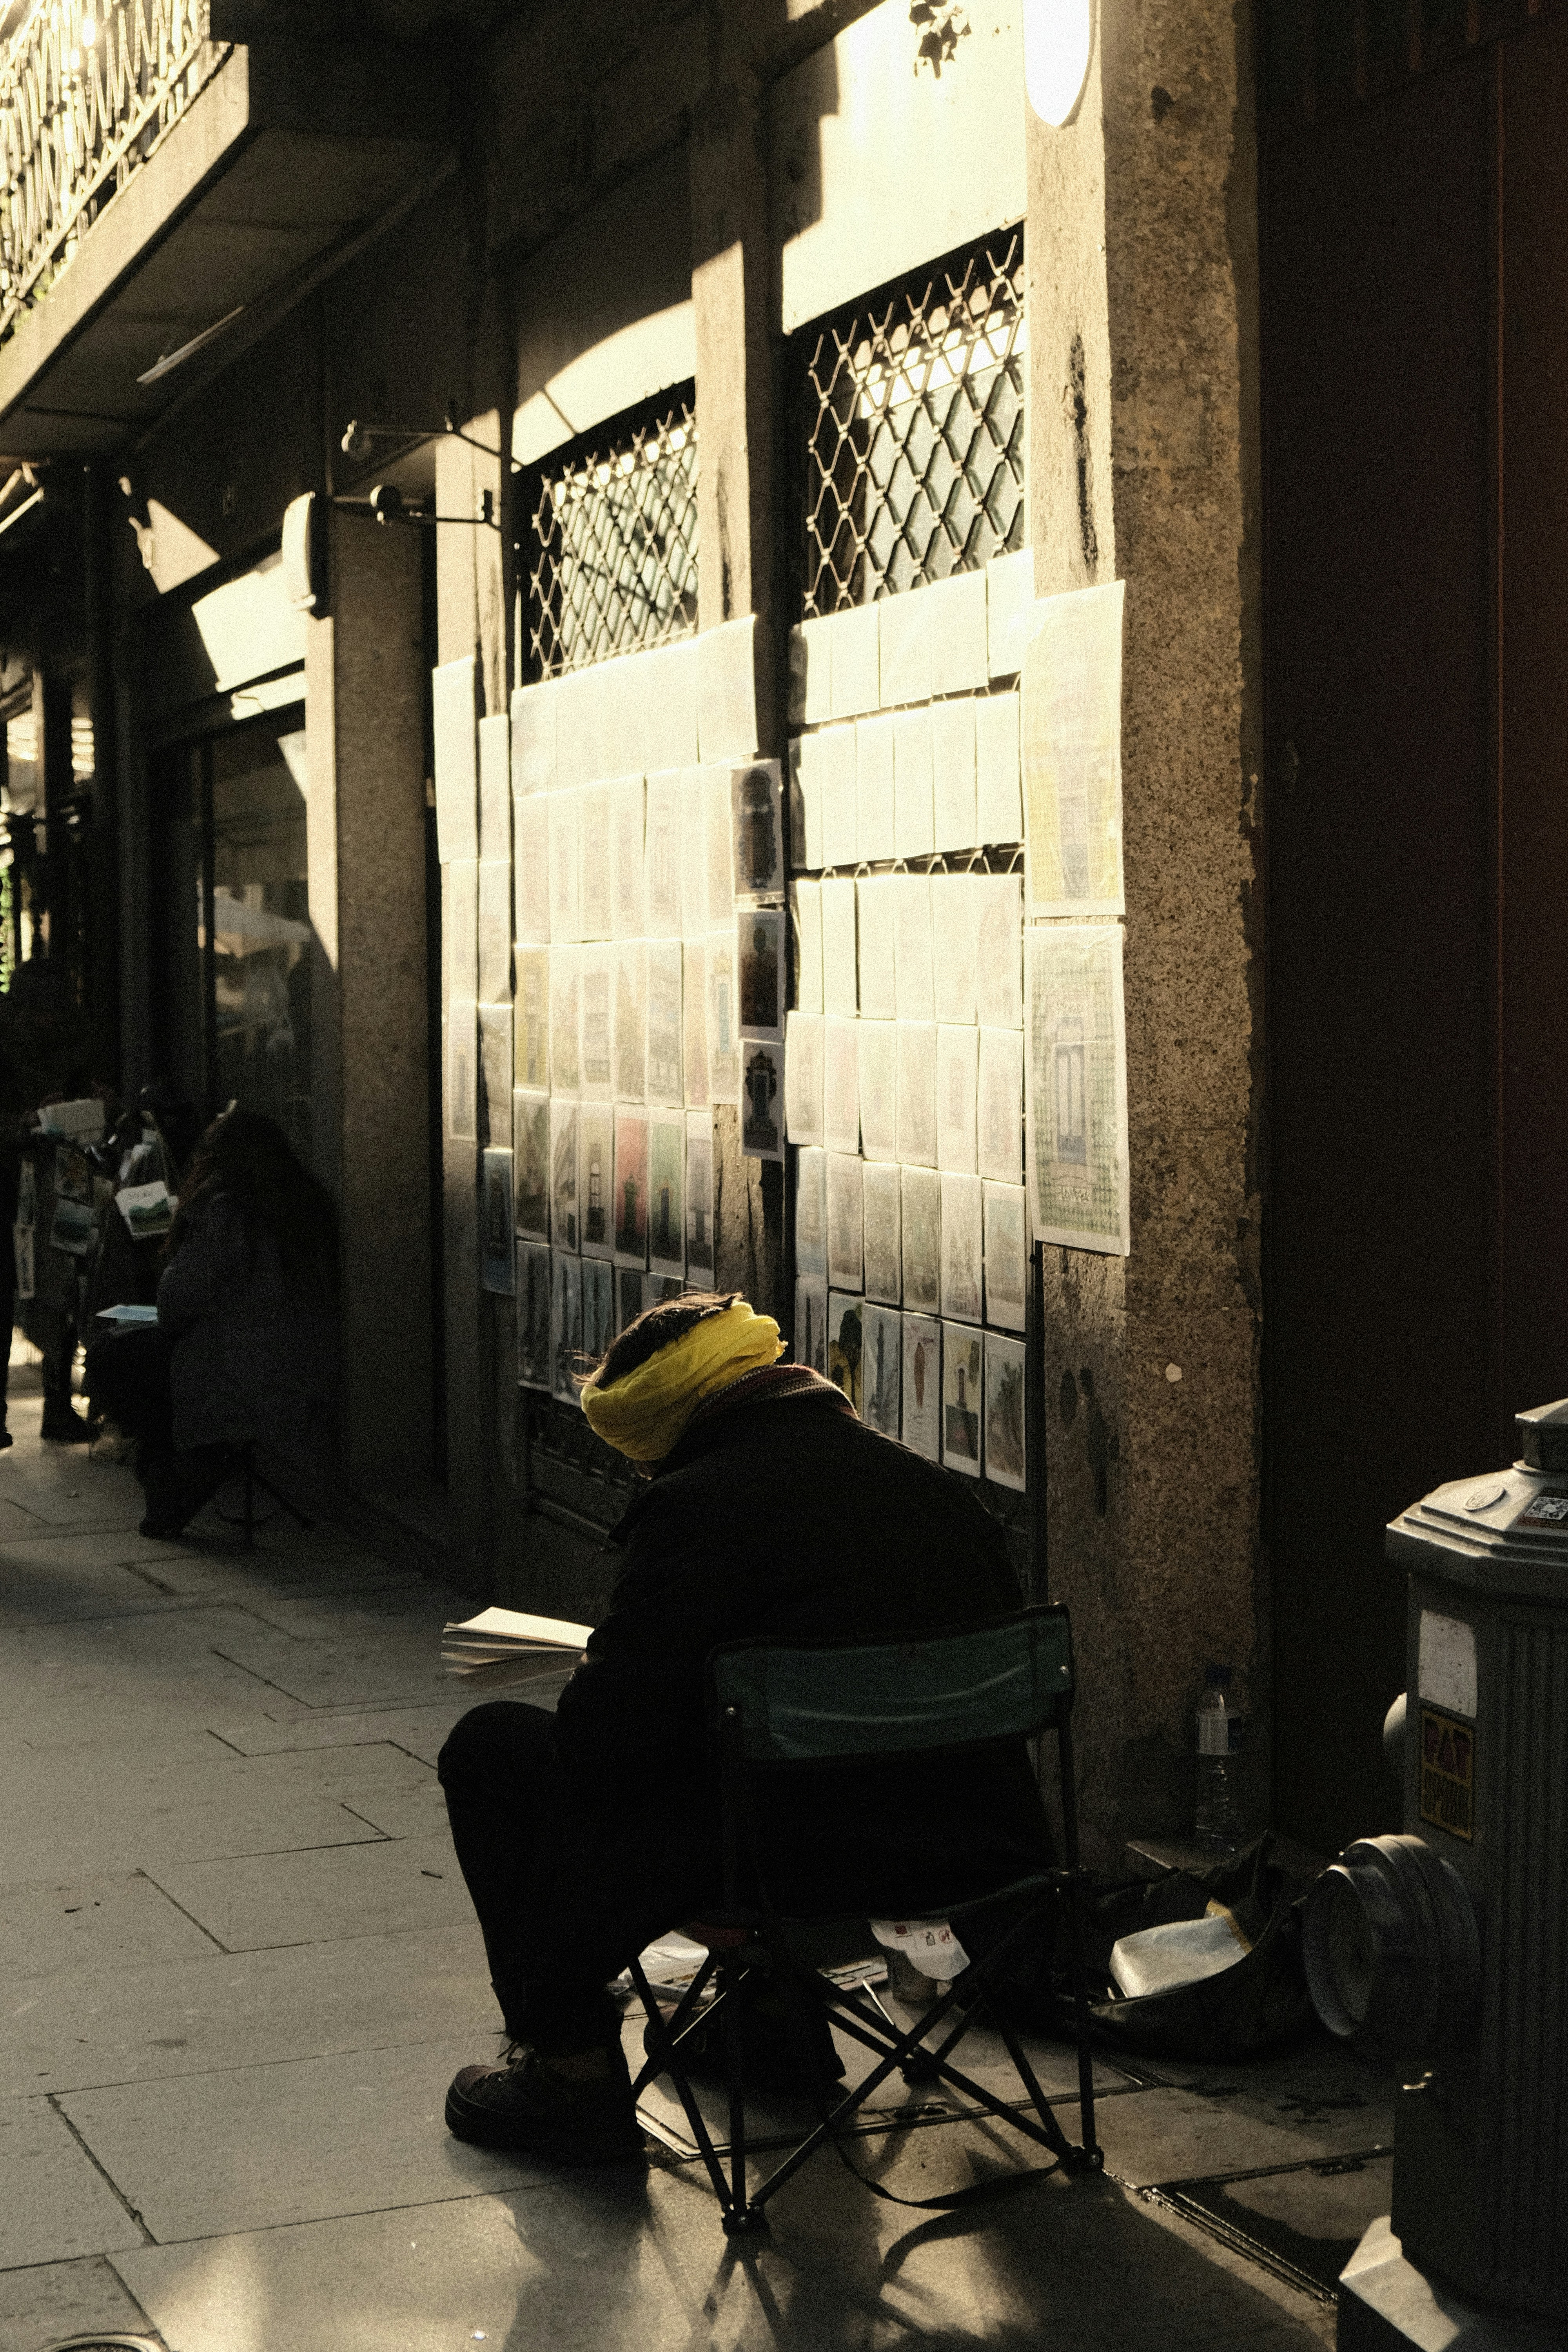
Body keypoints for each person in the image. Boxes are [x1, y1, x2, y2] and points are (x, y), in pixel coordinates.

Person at [437, 1289, 1051, 2167]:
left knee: (493, 1750)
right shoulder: (936, 1491)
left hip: (787, 1872)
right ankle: (765, 2024)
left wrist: (604, 1674)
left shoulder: (695, 1510)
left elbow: (599, 1751)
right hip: (974, 1855)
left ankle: (569, 2073)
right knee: (759, 1751)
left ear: (664, 1428)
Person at [85, 1108, 338, 1538]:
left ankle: (176, 1463)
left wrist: (187, 1225)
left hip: (235, 1370)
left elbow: (175, 1302)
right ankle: (182, 1460)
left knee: (111, 1353)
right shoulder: (308, 1202)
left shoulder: (225, 1210)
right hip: (302, 1369)